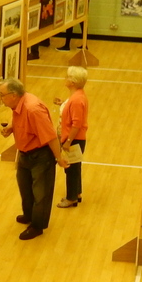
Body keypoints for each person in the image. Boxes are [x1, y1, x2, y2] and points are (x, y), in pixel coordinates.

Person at [0, 78, 68, 240]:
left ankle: (37, 226)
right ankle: (29, 215)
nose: (0, 98)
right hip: (25, 153)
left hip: (40, 155)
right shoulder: (18, 104)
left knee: (41, 194)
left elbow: (50, 137)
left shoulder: (33, 109)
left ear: (14, 95)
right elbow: (20, 120)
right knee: (25, 188)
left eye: (2, 95)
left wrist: (59, 158)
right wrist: (11, 128)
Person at [56, 66, 89, 209]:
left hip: (73, 139)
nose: (65, 79)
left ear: (73, 82)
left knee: (71, 169)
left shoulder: (76, 100)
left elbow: (76, 123)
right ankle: (77, 193)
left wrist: (68, 141)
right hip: (74, 138)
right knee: (75, 167)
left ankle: (71, 198)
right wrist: (63, 103)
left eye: (68, 77)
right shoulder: (77, 96)